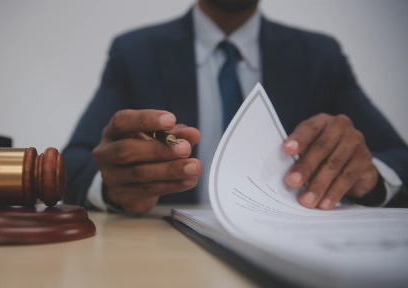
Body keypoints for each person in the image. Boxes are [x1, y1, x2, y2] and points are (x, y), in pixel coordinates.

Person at [62, 0, 408, 214]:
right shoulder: (135, 52)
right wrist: (113, 186)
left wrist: (367, 176)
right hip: (165, 249)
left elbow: (398, 157)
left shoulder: (320, 55)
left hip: (291, 245)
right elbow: (74, 163)